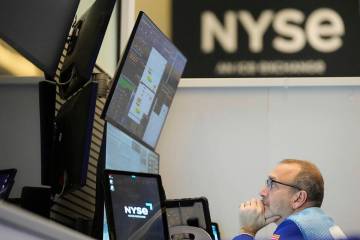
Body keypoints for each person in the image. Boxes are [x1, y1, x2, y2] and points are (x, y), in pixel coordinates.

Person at [233, 159, 346, 240]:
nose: (262, 192)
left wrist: (247, 231)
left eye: (272, 183)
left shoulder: (295, 227)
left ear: (298, 198)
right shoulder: (320, 221)